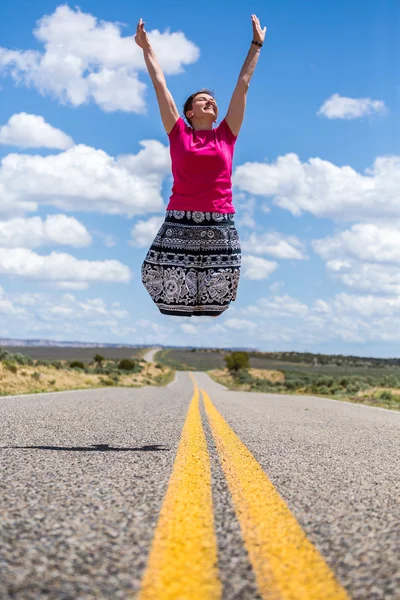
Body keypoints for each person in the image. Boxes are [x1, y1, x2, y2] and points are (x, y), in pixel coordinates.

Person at [135, 15, 266, 317]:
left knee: (220, 293)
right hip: (180, 220)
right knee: (155, 276)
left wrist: (256, 44)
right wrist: (146, 48)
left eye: (212, 100)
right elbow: (159, 84)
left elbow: (242, 86)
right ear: (189, 113)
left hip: (219, 221)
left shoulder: (226, 134)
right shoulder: (178, 132)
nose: (210, 102)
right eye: (202, 100)